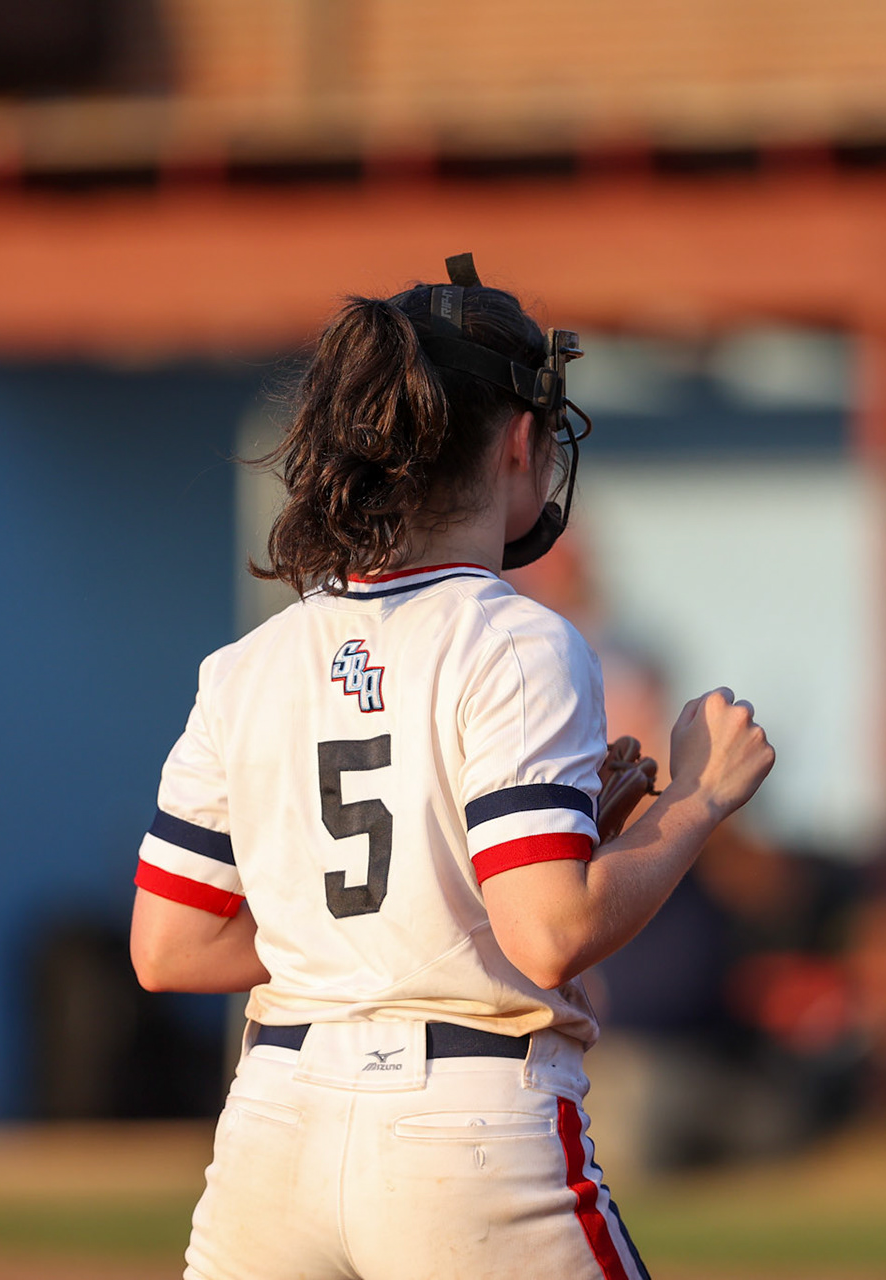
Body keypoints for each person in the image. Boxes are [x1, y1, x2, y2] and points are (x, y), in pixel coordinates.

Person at [125, 262, 775, 1279]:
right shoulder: (518, 639)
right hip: (466, 1125)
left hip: (272, 1128)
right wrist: (700, 796)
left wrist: (407, 921)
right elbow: (550, 934)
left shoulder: (245, 664)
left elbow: (171, 946)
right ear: (518, 439)